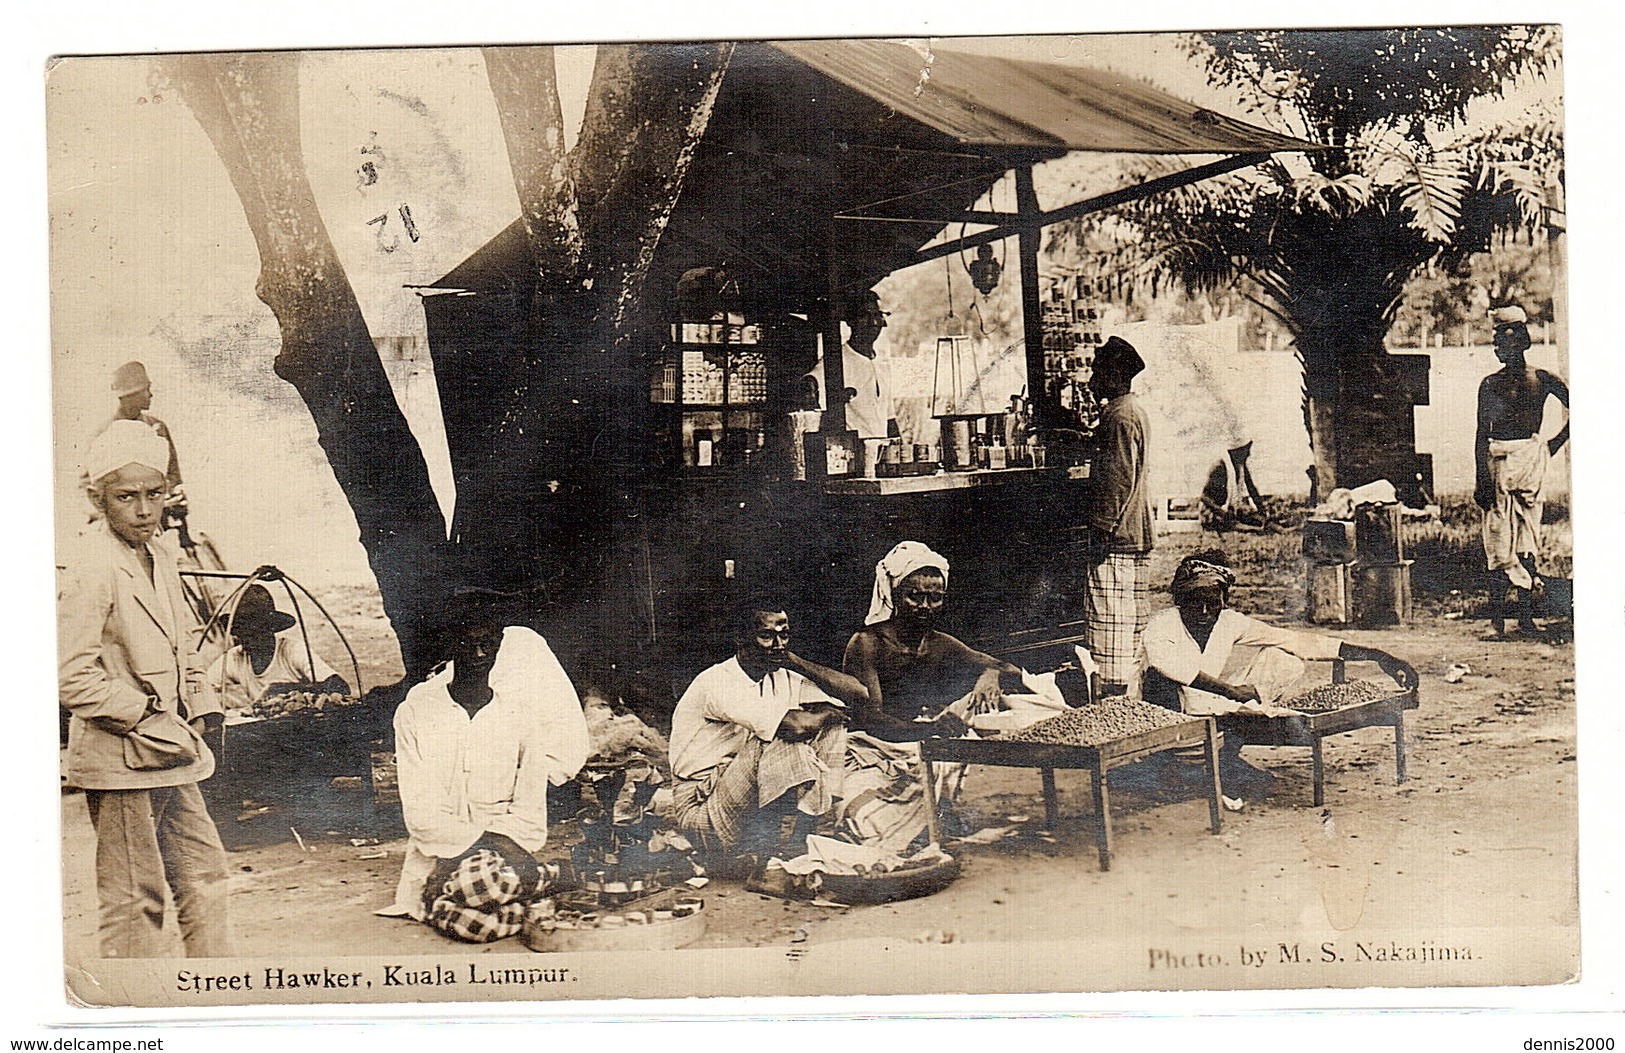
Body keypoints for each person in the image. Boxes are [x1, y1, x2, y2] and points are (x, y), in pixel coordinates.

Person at [58, 419, 230, 958]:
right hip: (120, 756)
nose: (142, 510)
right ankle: (136, 1012)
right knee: (136, 898)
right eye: (125, 497)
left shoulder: (160, 555)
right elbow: (71, 675)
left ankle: (222, 998)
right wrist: (148, 714)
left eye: (153, 495)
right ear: (98, 498)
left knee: (207, 877)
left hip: (170, 749)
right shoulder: (92, 564)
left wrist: (200, 702)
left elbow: (182, 643)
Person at [378, 591, 590, 939]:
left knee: (475, 898)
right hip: (443, 851)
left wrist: (503, 847)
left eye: (487, 643)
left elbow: (530, 816)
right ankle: (548, 882)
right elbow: (421, 816)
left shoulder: (521, 717)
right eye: (466, 643)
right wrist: (475, 850)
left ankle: (457, 900)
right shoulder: (416, 710)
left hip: (502, 857)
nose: (478, 655)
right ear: (450, 644)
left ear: (500, 643)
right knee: (475, 909)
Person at [1143, 551, 1418, 791]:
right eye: (1195, 603)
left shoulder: (1229, 622)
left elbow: (1295, 640)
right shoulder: (1163, 624)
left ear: (1224, 601)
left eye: (1213, 603)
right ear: (1180, 600)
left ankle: (1222, 759)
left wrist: (1378, 656)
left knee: (1283, 657)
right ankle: (1175, 763)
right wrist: (1233, 692)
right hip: (1171, 717)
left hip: (1212, 711)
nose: (1204, 612)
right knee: (1159, 679)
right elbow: (1170, 665)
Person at [667, 596, 864, 860]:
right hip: (702, 811)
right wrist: (830, 711)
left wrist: (793, 660)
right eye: (766, 636)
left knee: (831, 729)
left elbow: (860, 694)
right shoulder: (718, 681)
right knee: (780, 736)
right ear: (741, 638)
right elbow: (793, 727)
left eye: (784, 636)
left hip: (742, 801)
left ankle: (800, 840)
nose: (777, 645)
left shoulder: (780, 674)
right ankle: (769, 854)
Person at [843, 541, 1025, 741]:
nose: (925, 606)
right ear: (895, 596)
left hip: (923, 733)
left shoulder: (939, 643)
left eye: (935, 598)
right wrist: (932, 728)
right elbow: (872, 720)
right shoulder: (868, 643)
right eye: (914, 596)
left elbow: (1011, 669)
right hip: (876, 744)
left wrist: (991, 674)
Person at [1475, 305, 1570, 637]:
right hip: (1497, 465)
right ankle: (1499, 621)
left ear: (1521, 341)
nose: (1498, 345)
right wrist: (1481, 479)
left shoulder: (1542, 380)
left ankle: (1526, 619)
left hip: (1530, 464)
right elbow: (1480, 435)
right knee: (1498, 541)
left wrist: (1551, 446)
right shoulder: (1489, 384)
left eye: (1505, 338)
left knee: (1527, 540)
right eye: (1496, 339)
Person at [1080, 335, 1154, 697]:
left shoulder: (1120, 417)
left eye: (1098, 371)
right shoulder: (1129, 411)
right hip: (1134, 535)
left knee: (1110, 628)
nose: (1093, 379)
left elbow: (1116, 481)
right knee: (1131, 628)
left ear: (1114, 375)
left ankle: (1113, 706)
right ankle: (1131, 703)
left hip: (1117, 540)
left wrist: (1101, 533)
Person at [200, 583, 348, 713]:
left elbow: (339, 685)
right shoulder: (235, 657)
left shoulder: (292, 650)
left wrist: (288, 690)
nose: (248, 638)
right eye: (242, 631)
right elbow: (202, 686)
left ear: (270, 629)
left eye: (256, 631)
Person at [82, 361, 186, 527]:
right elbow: (88, 486)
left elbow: (173, 474)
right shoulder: (104, 434)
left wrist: (170, 494)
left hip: (161, 514)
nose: (150, 395)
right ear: (131, 395)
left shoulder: (157, 427)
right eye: (146, 390)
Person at [807, 289, 898, 441]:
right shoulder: (837, 360)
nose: (873, 322)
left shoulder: (882, 363)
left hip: (881, 455)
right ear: (850, 320)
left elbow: (889, 418)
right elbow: (810, 383)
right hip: (852, 454)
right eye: (865, 316)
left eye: (877, 315)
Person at [1200, 437, 1277, 533]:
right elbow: (1204, 497)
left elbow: (1252, 489)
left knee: (1257, 519)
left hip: (1231, 511)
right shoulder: (1219, 467)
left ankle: (1273, 528)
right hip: (1214, 512)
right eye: (1246, 451)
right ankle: (1256, 530)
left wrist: (1262, 512)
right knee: (1236, 524)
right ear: (1237, 453)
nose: (1249, 454)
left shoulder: (1241, 466)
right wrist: (1222, 513)